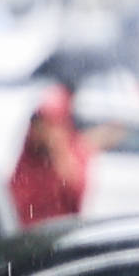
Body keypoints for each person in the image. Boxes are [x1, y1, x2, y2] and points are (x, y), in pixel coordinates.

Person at [9, 83, 89, 226]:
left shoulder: (74, 152)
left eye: (51, 125)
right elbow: (14, 199)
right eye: (40, 124)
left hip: (58, 232)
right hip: (26, 233)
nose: (44, 131)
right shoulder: (29, 155)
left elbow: (77, 193)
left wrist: (59, 151)